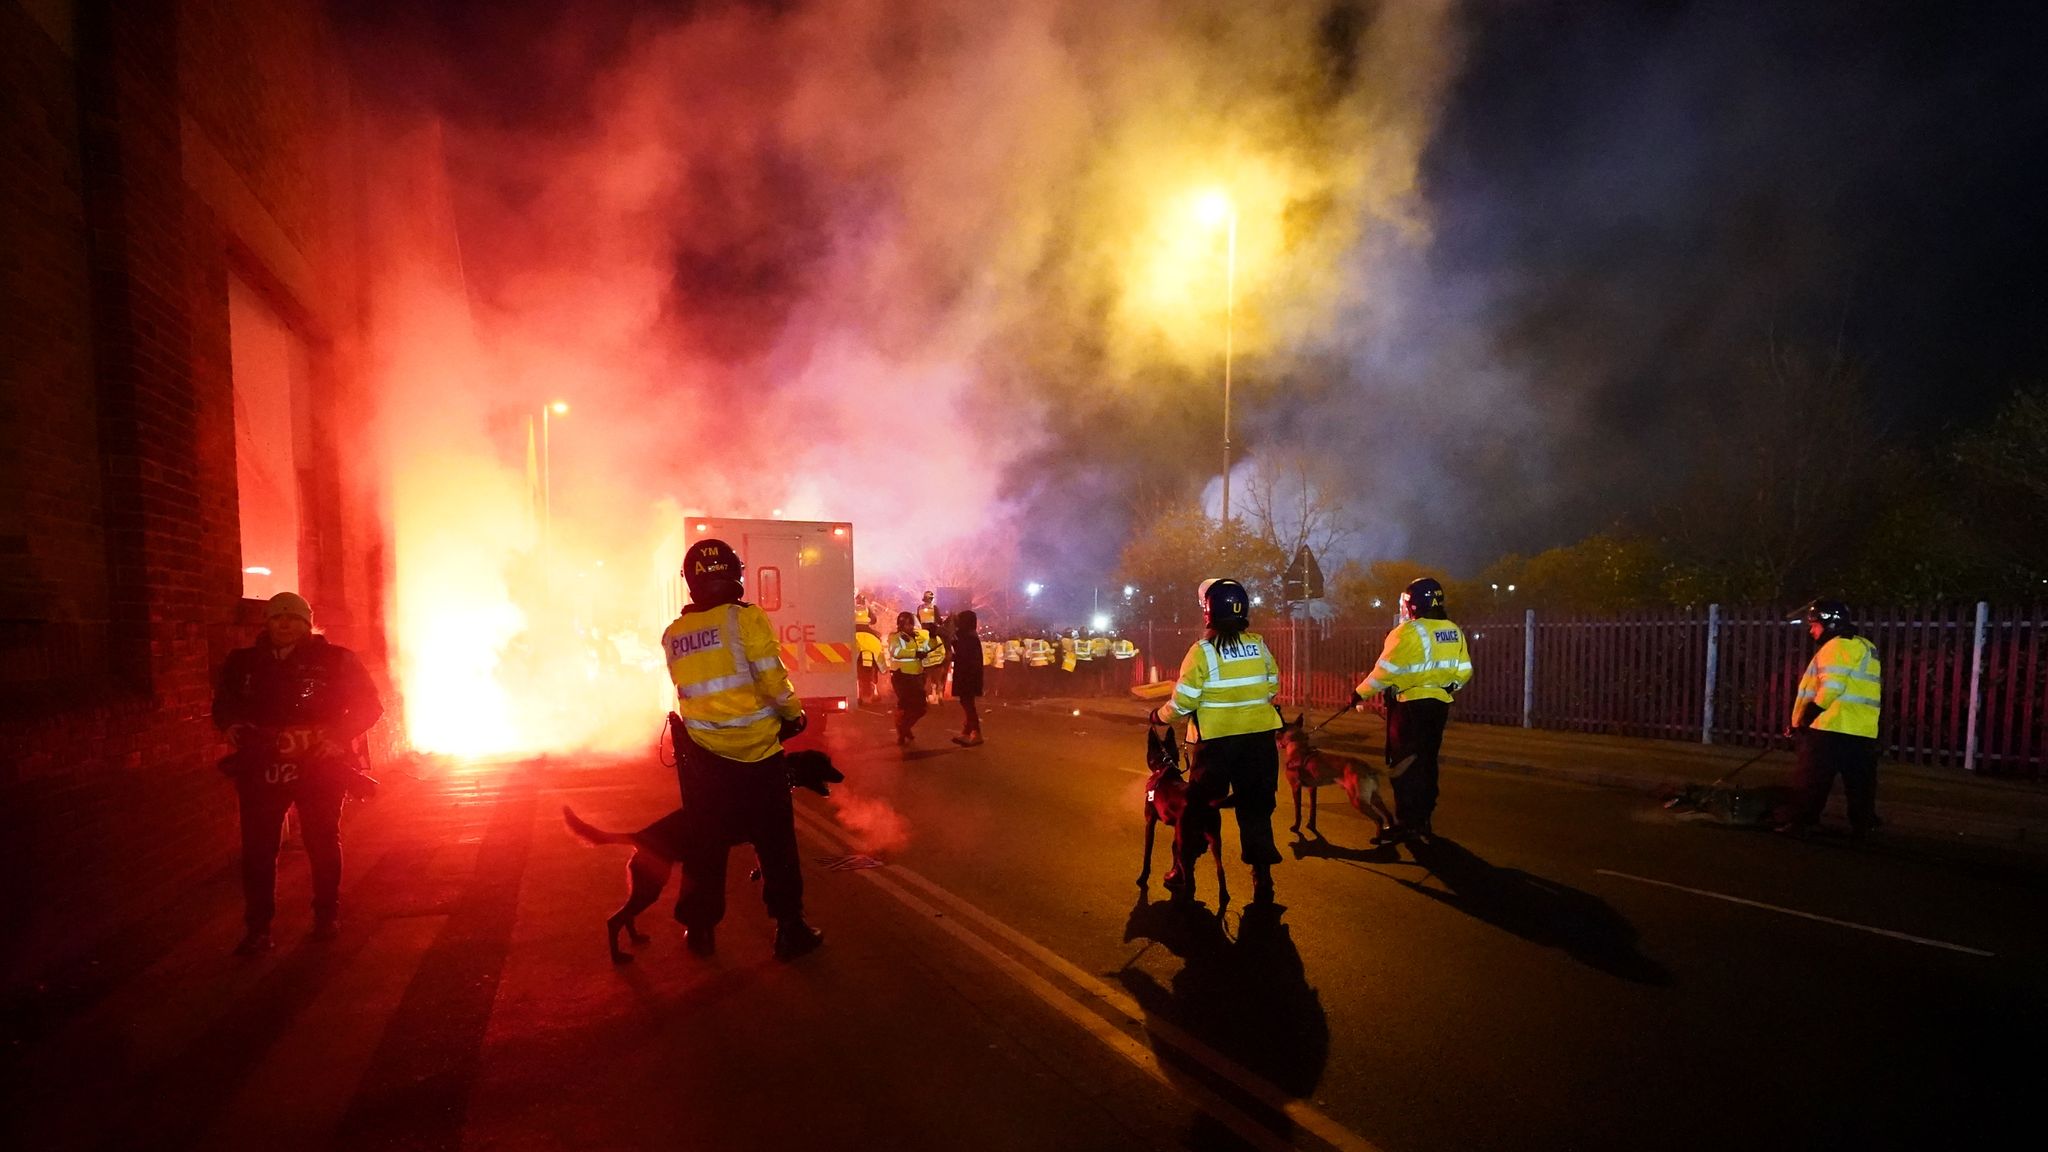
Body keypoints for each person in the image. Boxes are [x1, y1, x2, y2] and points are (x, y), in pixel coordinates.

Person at [662, 538, 823, 960]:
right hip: (757, 755)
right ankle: (790, 929)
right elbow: (772, 679)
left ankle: (698, 930)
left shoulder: (674, 634)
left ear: (691, 582)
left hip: (704, 760)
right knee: (775, 846)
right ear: (735, 574)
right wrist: (794, 714)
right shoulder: (745, 620)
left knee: (705, 846)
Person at [212, 591, 382, 955]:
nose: (284, 624)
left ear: (307, 624)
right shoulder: (243, 664)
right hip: (262, 766)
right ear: (267, 622)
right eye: (277, 617)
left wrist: (337, 737)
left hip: (320, 765)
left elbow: (370, 705)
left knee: (321, 841)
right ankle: (258, 930)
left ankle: (326, 915)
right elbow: (224, 703)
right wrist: (230, 725)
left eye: (293, 618)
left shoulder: (336, 661)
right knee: (258, 848)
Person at [1149, 579, 1284, 904]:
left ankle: (1183, 870)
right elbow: (1272, 684)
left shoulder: (1202, 653)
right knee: (1256, 809)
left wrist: (1159, 716)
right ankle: (1262, 878)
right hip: (1259, 742)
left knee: (1197, 809)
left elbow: (1184, 702)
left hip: (1216, 746)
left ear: (1209, 612)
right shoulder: (1259, 645)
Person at [1352, 577, 1472, 843]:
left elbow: (1385, 671)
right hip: (1438, 707)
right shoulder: (1452, 630)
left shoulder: (1407, 632)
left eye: (1407, 602)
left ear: (1414, 604)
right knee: (1427, 762)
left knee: (1404, 764)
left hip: (1409, 709)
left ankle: (1406, 822)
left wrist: (1359, 693)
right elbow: (1464, 671)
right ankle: (1423, 819)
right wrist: (1445, 688)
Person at [1775, 598, 1885, 839]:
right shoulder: (1865, 646)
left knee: (1812, 779)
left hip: (1830, 727)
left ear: (1829, 624)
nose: (1811, 630)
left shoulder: (1836, 647)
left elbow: (1831, 687)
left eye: (1814, 625)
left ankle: (1802, 822)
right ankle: (1864, 824)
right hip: (1862, 730)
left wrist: (1806, 717)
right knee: (1860, 784)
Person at [888, 610, 932, 746]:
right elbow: (895, 651)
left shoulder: (918, 636)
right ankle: (902, 731)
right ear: (900, 625)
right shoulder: (895, 637)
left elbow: (928, 648)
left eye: (911, 624)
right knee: (905, 706)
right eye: (907, 624)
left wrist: (934, 636)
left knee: (921, 708)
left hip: (917, 675)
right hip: (902, 676)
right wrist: (915, 653)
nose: (910, 627)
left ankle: (904, 727)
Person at [951, 610, 986, 746]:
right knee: (966, 702)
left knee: (967, 703)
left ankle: (976, 733)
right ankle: (966, 732)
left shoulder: (967, 637)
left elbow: (961, 653)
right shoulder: (971, 635)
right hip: (970, 674)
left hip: (968, 675)